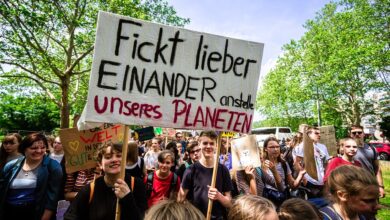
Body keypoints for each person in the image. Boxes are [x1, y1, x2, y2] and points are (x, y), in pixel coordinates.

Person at [64, 143, 147, 220]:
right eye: (108, 157)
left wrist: (127, 198)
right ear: (100, 164)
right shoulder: (90, 190)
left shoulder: (137, 185)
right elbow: (70, 217)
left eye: (119, 156)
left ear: (125, 161)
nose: (114, 160)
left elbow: (142, 217)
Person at [0, 132, 63, 220]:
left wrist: (45, 217)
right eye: (34, 148)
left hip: (34, 213)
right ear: (24, 149)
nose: (39, 151)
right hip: (9, 212)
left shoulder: (53, 167)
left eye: (43, 147)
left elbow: (53, 198)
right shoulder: (11, 166)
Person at [178, 130, 233, 219]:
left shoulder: (223, 170)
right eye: (205, 143)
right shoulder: (191, 170)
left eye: (212, 143)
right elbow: (180, 199)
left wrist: (219, 196)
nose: (208, 146)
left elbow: (229, 203)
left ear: (216, 145)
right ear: (199, 144)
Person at [262, 137, 306, 207]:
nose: (276, 149)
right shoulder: (261, 165)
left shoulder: (283, 164)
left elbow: (293, 186)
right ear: (265, 149)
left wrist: (301, 174)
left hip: (283, 199)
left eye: (277, 147)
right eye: (272, 147)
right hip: (269, 201)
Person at [293, 126, 330, 202]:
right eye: (316, 133)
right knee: (313, 204)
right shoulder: (301, 147)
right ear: (309, 134)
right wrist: (303, 178)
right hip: (310, 181)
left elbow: (326, 163)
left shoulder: (323, 147)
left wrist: (327, 176)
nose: (319, 135)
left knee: (324, 202)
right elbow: (296, 163)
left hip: (322, 180)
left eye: (320, 133)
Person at [349, 125, 385, 198]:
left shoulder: (372, 148)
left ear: (363, 134)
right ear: (350, 135)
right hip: (354, 187)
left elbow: (377, 168)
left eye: (359, 132)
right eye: (354, 133)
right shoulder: (346, 149)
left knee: (372, 207)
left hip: (371, 184)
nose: (357, 134)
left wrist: (380, 186)